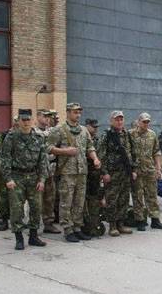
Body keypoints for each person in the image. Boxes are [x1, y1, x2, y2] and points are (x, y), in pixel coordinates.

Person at [47, 103, 100, 242]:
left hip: (82, 171)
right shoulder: (59, 130)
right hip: (66, 172)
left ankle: (77, 227)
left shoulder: (83, 130)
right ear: (68, 112)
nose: (78, 115)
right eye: (75, 112)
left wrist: (95, 159)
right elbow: (48, 147)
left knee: (79, 202)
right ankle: (68, 229)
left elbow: (90, 147)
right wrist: (65, 151)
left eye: (79, 112)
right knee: (66, 201)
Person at [0, 109, 48, 250]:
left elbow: (43, 161)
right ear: (18, 121)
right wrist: (8, 178)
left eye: (28, 120)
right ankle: (19, 238)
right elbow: (5, 159)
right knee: (16, 209)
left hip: (34, 177)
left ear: (32, 120)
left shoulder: (39, 138)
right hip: (17, 177)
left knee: (36, 207)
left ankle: (33, 236)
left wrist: (42, 179)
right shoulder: (11, 137)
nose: (26, 122)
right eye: (23, 120)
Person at [98, 111, 137, 237]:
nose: (119, 122)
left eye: (121, 119)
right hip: (112, 173)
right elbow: (101, 155)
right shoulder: (107, 135)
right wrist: (104, 173)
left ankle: (121, 223)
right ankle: (113, 225)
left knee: (124, 199)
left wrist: (134, 170)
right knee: (112, 200)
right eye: (117, 120)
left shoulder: (127, 134)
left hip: (125, 172)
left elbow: (132, 153)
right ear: (111, 121)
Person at [130, 112, 162, 231]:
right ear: (138, 122)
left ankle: (155, 220)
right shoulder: (130, 134)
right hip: (137, 170)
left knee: (152, 195)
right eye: (144, 121)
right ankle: (140, 220)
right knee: (138, 196)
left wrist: (158, 167)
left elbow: (156, 151)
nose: (146, 124)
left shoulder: (152, 135)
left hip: (150, 169)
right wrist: (132, 169)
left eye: (148, 122)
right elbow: (128, 153)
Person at [84, 118, 105, 236]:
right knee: (82, 201)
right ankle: (83, 224)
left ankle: (93, 224)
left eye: (97, 127)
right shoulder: (82, 138)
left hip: (95, 175)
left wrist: (102, 172)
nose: (95, 129)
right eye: (93, 127)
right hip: (83, 173)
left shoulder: (98, 140)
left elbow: (101, 156)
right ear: (87, 126)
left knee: (94, 199)